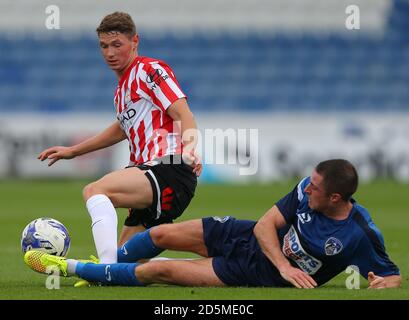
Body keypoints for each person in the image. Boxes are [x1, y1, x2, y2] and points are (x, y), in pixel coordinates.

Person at [25, 159, 401, 289]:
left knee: (162, 272)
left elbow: (391, 276)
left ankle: (71, 267)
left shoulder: (360, 234)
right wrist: (287, 263)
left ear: (336, 198)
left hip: (254, 270)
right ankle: (105, 269)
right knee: (160, 234)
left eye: (317, 188)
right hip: (247, 235)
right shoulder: (306, 189)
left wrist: (381, 284)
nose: (308, 188)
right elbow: (265, 224)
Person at [37, 12, 201, 265]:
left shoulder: (149, 70)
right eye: (104, 46)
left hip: (167, 167)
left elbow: (182, 112)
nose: (110, 53)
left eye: (117, 45)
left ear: (134, 41)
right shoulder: (121, 91)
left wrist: (190, 148)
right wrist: (73, 151)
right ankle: (215, 266)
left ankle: (105, 269)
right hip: (154, 176)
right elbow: (122, 129)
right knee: (128, 263)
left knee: (95, 190)